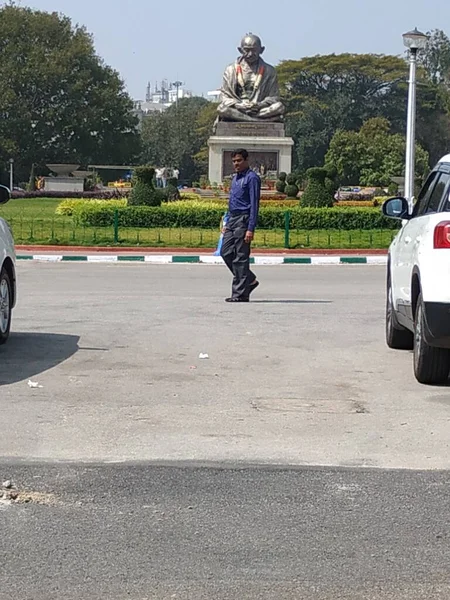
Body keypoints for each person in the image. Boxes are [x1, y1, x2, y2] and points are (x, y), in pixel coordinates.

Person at [220, 149, 260, 302]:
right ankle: (249, 280)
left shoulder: (252, 178)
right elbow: (232, 201)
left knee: (241, 257)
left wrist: (250, 228)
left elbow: (254, 204)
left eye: (239, 160)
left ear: (246, 160)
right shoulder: (235, 178)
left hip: (244, 219)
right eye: (234, 161)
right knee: (226, 252)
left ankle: (240, 294)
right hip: (232, 219)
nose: (236, 164)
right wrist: (227, 221)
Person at [217, 34, 285, 123]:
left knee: (279, 107)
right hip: (238, 109)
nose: (250, 54)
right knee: (222, 109)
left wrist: (259, 105)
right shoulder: (230, 70)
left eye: (254, 50)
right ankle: (258, 121)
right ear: (240, 50)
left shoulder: (269, 71)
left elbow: (274, 97)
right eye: (246, 50)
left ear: (261, 50)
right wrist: (239, 105)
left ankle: (246, 119)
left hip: (260, 110)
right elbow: (225, 97)